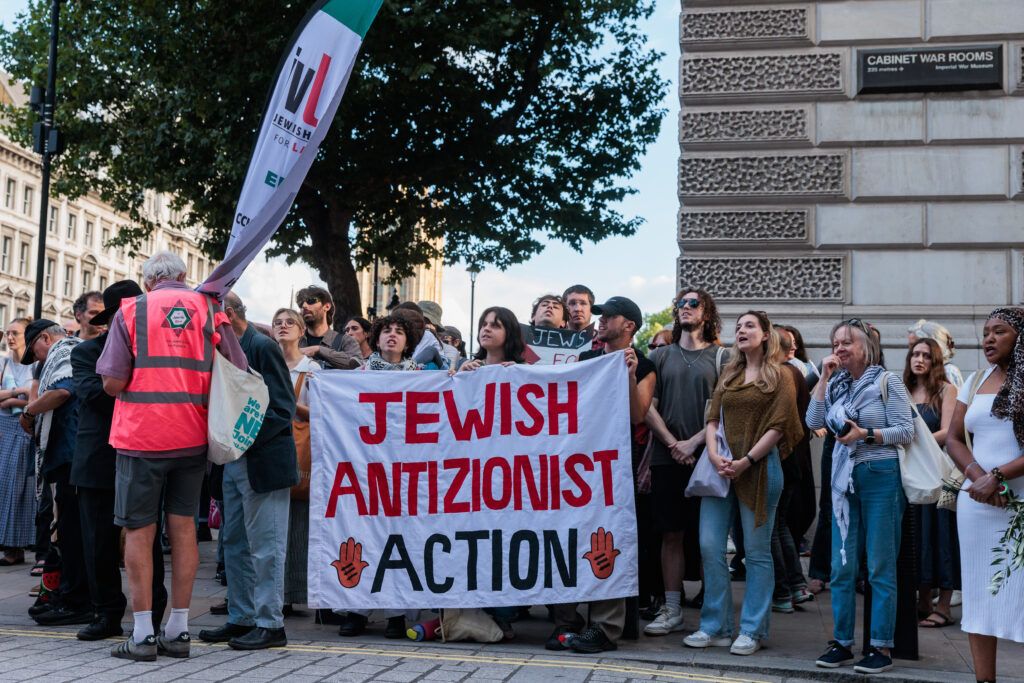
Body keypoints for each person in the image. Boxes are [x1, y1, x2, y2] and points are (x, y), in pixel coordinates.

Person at [98, 251, 247, 661]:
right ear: (184, 276)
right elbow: (239, 366)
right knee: (183, 530)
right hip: (192, 436)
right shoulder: (209, 308)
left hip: (141, 438)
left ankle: (144, 634)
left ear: (148, 282)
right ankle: (179, 630)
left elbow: (111, 383)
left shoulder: (130, 311)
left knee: (139, 533)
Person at [683, 311, 801, 656]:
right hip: (721, 470)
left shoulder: (781, 375)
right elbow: (710, 419)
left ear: (766, 335)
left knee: (757, 552)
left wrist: (746, 461)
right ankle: (716, 626)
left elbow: (779, 426)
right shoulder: (730, 372)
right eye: (738, 327)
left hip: (761, 470)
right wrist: (717, 453)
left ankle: (751, 629)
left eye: (749, 325)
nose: (741, 330)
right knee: (709, 545)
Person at [807, 319, 914, 675]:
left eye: (847, 342)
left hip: (880, 476)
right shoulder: (835, 385)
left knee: (881, 566)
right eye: (835, 343)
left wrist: (865, 434)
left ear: (865, 346)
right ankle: (842, 644)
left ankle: (880, 647)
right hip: (844, 481)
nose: (839, 348)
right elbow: (813, 420)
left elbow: (906, 430)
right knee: (841, 567)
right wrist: (823, 378)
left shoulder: (887, 381)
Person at [549, 296, 655, 654]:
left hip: (616, 465)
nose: (601, 321)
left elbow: (638, 414)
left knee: (608, 539)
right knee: (570, 535)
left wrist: (627, 375)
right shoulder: (586, 360)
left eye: (609, 316)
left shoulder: (645, 365)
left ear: (629, 325)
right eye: (601, 316)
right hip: (579, 465)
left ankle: (605, 628)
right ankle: (570, 619)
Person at [71, 280, 170, 642]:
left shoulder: (154, 350)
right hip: (98, 459)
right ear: (111, 320)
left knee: (145, 539)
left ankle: (154, 614)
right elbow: (94, 395)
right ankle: (106, 613)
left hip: (144, 455)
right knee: (99, 542)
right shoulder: (85, 353)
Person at [199, 293, 298, 651]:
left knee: (266, 546)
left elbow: (283, 407)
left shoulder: (262, 347)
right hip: (232, 460)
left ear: (224, 315)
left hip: (259, 460)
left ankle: (270, 624)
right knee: (235, 544)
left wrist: (240, 438)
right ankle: (241, 617)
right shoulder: (225, 349)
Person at [945, 308, 1024, 683]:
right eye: (986, 332)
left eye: (1000, 331)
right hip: (976, 503)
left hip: (1018, 501)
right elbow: (954, 438)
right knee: (979, 592)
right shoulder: (976, 380)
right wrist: (978, 478)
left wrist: (997, 478)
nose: (989, 338)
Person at [643, 289, 726, 636]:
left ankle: (713, 613)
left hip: (706, 457)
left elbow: (725, 409)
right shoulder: (661, 357)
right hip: (667, 457)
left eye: (693, 303)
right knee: (671, 534)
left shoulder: (723, 357)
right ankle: (672, 608)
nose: (685, 308)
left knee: (710, 537)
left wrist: (692, 443)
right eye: (681, 304)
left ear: (707, 313)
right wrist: (672, 443)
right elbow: (647, 406)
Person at [338, 314, 421, 638]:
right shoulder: (359, 375)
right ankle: (357, 611)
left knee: (400, 543)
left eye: (400, 332)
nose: (392, 336)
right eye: (387, 330)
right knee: (365, 539)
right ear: (377, 337)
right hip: (367, 470)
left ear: (408, 341)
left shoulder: (425, 377)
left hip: (405, 471)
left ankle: (397, 614)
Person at [19, 320, 89, 626]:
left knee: (72, 532)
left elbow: (62, 391)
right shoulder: (66, 352)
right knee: (65, 531)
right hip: (67, 457)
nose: (37, 361)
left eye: (35, 352)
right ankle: (65, 594)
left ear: (45, 338)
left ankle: (76, 601)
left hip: (73, 455)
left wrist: (29, 410)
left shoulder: (66, 351)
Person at [902, 338, 958, 628]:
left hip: (940, 475)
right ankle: (923, 601)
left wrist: (910, 442)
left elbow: (948, 432)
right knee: (919, 537)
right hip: (912, 475)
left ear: (935, 360)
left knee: (943, 538)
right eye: (915, 354)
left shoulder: (947, 390)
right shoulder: (904, 391)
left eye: (925, 355)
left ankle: (945, 606)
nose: (919, 359)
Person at [273, 308, 320, 615]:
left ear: (302, 331)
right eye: (278, 322)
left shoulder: (311, 368)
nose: (283, 326)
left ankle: (293, 591)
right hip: (270, 449)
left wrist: (289, 406)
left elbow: (319, 414)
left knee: (298, 523)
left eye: (290, 322)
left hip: (297, 449)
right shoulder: (267, 363)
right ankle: (277, 593)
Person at [769, 334, 814, 613]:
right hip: (794, 461)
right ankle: (796, 585)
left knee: (771, 526)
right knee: (780, 524)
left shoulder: (782, 374)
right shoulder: (796, 373)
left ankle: (783, 591)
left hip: (780, 459)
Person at [0, 318, 36, 566]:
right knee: (4, 487)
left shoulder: (34, 366)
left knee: (17, 488)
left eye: (15, 333)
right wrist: (18, 393)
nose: (10, 337)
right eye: (8, 333)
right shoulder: (3, 363)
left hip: (24, 428)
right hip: (3, 429)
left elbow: (37, 399)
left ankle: (15, 547)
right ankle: (8, 544)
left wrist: (10, 400)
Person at [295, 286, 362, 369]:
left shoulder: (346, 341)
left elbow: (357, 365)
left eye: (310, 301)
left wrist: (319, 350)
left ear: (326, 306)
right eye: (301, 304)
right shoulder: (294, 341)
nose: (304, 306)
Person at [907, 319, 964, 388]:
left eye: (914, 345)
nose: (911, 350)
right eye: (910, 346)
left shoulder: (948, 371)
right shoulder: (918, 372)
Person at [418, 300, 460, 369]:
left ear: (434, 326)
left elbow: (447, 374)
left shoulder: (450, 351)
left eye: (426, 322)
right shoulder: (406, 343)